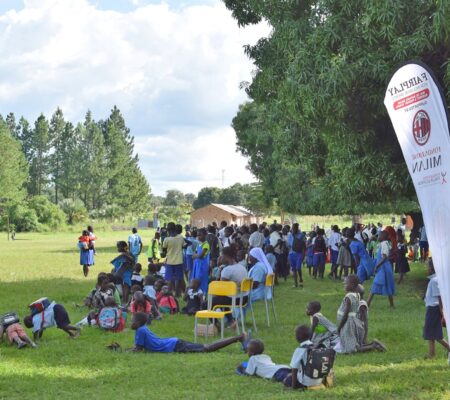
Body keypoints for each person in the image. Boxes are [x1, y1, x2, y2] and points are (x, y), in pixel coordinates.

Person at [130, 312, 246, 353]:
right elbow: (139, 347)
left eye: (132, 321)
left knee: (207, 348)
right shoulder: (142, 328)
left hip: (174, 346)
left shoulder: (140, 330)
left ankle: (238, 338)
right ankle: (238, 338)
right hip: (174, 342)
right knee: (206, 347)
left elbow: (138, 349)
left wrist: (124, 350)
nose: (130, 323)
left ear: (139, 322)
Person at [336, 275, 385, 353]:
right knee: (351, 344)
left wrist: (339, 328)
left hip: (347, 324)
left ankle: (373, 346)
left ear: (352, 284)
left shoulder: (349, 297)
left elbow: (345, 315)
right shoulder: (357, 295)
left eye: (346, 284)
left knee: (350, 349)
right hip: (351, 323)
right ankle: (373, 344)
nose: (344, 285)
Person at [211, 246, 248, 328]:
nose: (220, 258)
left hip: (234, 299)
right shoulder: (242, 267)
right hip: (244, 298)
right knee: (219, 300)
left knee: (207, 303)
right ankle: (232, 321)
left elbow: (220, 290)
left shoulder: (227, 270)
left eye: (221, 256)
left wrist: (219, 268)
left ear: (226, 256)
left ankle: (216, 326)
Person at [423, 258, 450, 362]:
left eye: (428, 266)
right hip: (431, 308)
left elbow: (439, 298)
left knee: (436, 334)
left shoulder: (435, 281)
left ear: (433, 268)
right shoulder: (434, 280)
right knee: (430, 332)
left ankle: (448, 348)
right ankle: (431, 353)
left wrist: (442, 313)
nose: (426, 268)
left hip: (434, 309)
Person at [284, 325, 324, 389]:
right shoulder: (317, 348)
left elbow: (294, 369)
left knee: (287, 379)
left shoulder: (299, 350)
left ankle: (298, 385)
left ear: (298, 336)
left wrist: (293, 387)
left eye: (296, 334)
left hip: (305, 383)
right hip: (319, 380)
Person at [367, 230, 395, 308]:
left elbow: (384, 257)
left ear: (383, 237)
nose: (378, 237)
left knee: (376, 283)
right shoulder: (384, 243)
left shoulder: (384, 244)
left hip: (383, 267)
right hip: (383, 267)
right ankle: (391, 305)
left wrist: (377, 266)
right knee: (385, 284)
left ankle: (367, 303)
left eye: (379, 235)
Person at [162, 222, 185, 297]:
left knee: (169, 278)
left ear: (168, 230)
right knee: (178, 278)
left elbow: (164, 252)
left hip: (170, 261)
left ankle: (169, 293)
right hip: (179, 261)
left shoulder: (166, 239)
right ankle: (178, 294)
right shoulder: (180, 237)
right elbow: (184, 245)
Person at [111, 241, 135, 305]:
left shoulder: (125, 255)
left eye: (118, 247)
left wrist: (117, 273)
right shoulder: (127, 254)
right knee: (124, 286)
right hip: (125, 273)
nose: (118, 249)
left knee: (125, 286)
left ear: (123, 247)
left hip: (125, 273)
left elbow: (123, 265)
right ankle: (124, 300)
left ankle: (125, 300)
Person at [190, 228, 210, 294]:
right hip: (197, 265)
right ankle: (195, 293)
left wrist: (196, 256)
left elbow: (200, 255)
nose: (198, 237)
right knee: (195, 279)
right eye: (197, 235)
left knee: (201, 279)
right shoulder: (199, 244)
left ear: (205, 235)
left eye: (200, 235)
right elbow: (194, 255)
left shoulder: (206, 245)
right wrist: (196, 256)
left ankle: (202, 293)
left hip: (202, 265)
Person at [288, 223, 306, 288]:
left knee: (298, 267)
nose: (293, 229)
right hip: (291, 254)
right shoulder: (290, 235)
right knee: (294, 269)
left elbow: (304, 245)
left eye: (295, 228)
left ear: (297, 228)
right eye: (292, 228)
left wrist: (304, 255)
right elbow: (289, 245)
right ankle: (295, 283)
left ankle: (300, 278)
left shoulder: (301, 235)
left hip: (299, 253)